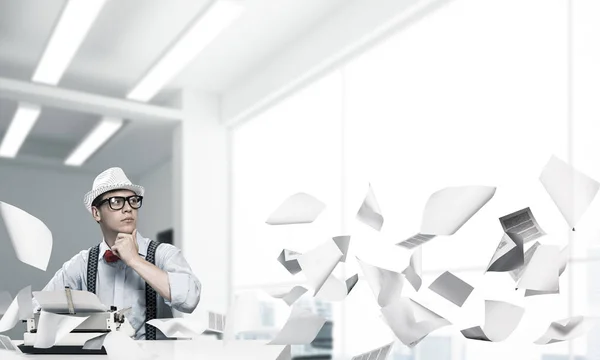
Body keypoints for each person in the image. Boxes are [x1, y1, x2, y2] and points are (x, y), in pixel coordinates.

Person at [38, 167, 201, 340]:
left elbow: (189, 299)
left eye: (133, 200)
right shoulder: (81, 264)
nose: (128, 208)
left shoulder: (164, 254)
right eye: (116, 201)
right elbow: (39, 309)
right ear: (96, 213)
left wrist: (135, 261)